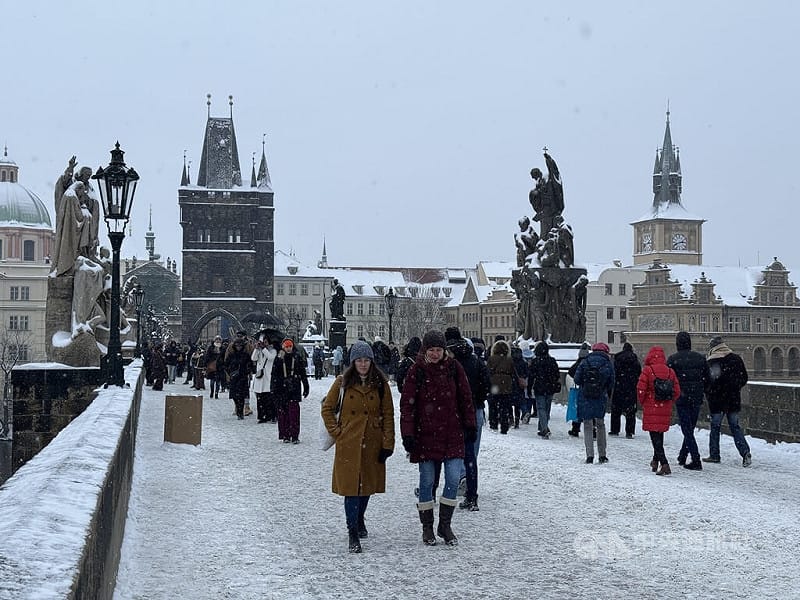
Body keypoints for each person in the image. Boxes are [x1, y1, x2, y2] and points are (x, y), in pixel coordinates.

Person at [400, 330, 475, 546]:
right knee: (426, 482)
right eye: (431, 350)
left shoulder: (454, 369)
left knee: (452, 479)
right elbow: (407, 405)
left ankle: (445, 524)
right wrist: (408, 434)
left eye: (439, 350)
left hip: (452, 433)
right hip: (426, 436)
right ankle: (427, 527)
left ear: (444, 351)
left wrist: (470, 424)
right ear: (426, 350)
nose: (435, 354)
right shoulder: (417, 371)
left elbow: (465, 398)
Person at [321, 340, 395, 554]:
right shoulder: (342, 382)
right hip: (349, 444)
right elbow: (327, 409)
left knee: (367, 488)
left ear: (372, 361)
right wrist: (337, 432)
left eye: (366, 360)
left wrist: (387, 443)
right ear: (353, 362)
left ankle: (360, 517)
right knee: (351, 489)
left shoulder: (380, 383)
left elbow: (388, 415)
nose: (363, 364)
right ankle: (352, 530)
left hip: (372, 442)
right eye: (359, 360)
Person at [445, 328, 490, 512]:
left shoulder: (450, 363)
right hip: (475, 410)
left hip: (455, 411)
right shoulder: (476, 361)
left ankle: (454, 485)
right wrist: (477, 400)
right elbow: (486, 384)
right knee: (471, 452)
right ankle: (472, 493)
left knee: (452, 453)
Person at [704, 336, 751, 467]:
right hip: (733, 399)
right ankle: (745, 452)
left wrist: (711, 392)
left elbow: (707, 382)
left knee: (715, 427)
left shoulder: (712, 361)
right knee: (735, 427)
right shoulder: (736, 358)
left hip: (717, 401)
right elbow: (744, 378)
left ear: (713, 347)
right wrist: (734, 388)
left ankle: (714, 454)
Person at [667, 332, 711, 470]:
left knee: (687, 428)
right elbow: (708, 379)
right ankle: (683, 455)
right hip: (696, 397)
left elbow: (668, 379)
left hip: (682, 397)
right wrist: (701, 390)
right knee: (689, 427)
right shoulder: (700, 358)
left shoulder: (673, 359)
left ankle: (696, 459)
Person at [637, 346, 681, 475]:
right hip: (665, 407)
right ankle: (655, 461)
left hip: (651, 405)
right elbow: (677, 391)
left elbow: (641, 389)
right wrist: (669, 401)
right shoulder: (670, 371)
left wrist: (645, 401)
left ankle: (665, 463)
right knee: (659, 435)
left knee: (654, 436)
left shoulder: (647, 370)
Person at [51, 165, 100, 277]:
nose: (88, 178)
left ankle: (85, 252)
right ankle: (77, 254)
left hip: (85, 221)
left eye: (90, 176)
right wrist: (69, 170)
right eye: (87, 175)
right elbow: (63, 184)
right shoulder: (73, 186)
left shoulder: (90, 187)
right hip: (74, 222)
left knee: (88, 222)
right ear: (81, 174)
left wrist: (89, 203)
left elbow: (94, 204)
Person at [574, 342, 614, 464]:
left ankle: (589, 455)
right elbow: (611, 382)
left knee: (587, 425)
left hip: (585, 396)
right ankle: (602, 454)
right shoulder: (607, 363)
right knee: (600, 424)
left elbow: (576, 379)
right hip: (600, 396)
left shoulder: (585, 361)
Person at [275, 338, 309, 443]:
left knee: (294, 414)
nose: (288, 349)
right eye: (286, 347)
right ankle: (285, 435)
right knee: (284, 414)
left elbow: (303, 373)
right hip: (282, 389)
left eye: (290, 346)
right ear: (283, 347)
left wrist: (306, 386)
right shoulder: (279, 359)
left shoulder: (297, 357)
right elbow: (275, 375)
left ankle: (294, 435)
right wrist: (274, 389)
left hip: (294, 388)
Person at [528, 341, 561, 439]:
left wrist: (529, 389)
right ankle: (542, 426)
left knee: (541, 408)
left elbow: (531, 376)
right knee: (547, 408)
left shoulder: (536, 361)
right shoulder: (552, 361)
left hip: (540, 387)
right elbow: (557, 375)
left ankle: (544, 428)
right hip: (550, 387)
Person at [609, 342, 642, 438]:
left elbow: (613, 372)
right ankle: (629, 431)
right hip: (631, 387)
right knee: (630, 411)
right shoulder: (634, 359)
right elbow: (639, 373)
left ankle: (615, 430)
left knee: (616, 410)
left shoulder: (617, 358)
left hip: (619, 387)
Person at [487, 338, 515, 433]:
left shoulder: (491, 359)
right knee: (504, 405)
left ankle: (493, 423)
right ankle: (504, 425)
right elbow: (512, 372)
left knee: (493, 404)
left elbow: (488, 371)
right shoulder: (509, 359)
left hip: (494, 383)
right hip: (506, 384)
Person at [251, 333, 279, 423]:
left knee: (269, 398)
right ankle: (262, 416)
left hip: (268, 376)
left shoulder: (273, 350)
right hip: (260, 377)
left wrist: (263, 349)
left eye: (266, 342)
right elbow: (253, 358)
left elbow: (270, 358)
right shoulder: (259, 350)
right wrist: (256, 348)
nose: (264, 344)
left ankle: (272, 416)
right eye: (263, 342)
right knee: (260, 399)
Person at [566, 343, 591, 437]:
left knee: (577, 410)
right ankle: (592, 429)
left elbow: (572, 377)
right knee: (590, 411)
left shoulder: (576, 366)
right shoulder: (590, 364)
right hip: (590, 390)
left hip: (578, 390)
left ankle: (575, 428)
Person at [226, 335, 253, 420]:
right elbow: (226, 364)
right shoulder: (232, 355)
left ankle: (240, 412)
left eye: (240, 346)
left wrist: (247, 371)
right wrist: (230, 372)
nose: (238, 347)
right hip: (234, 377)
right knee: (234, 396)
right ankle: (238, 408)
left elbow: (250, 365)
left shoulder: (246, 355)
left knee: (241, 396)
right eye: (237, 345)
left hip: (242, 377)